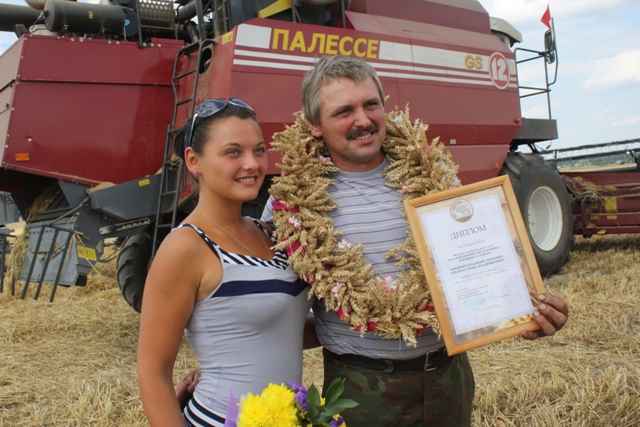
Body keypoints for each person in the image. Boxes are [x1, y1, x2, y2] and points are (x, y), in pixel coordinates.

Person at [262, 55, 569, 427]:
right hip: (360, 391)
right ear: (314, 125)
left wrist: (525, 312)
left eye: (370, 104)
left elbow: (478, 266)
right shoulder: (292, 204)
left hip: (448, 379)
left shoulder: (435, 176)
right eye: (344, 111)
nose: (362, 120)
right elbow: (264, 306)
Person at [137, 98, 315, 427]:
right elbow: (153, 375)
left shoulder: (273, 233)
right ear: (194, 161)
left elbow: (279, 329)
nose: (252, 164)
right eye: (233, 152)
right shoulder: (185, 248)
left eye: (259, 150)